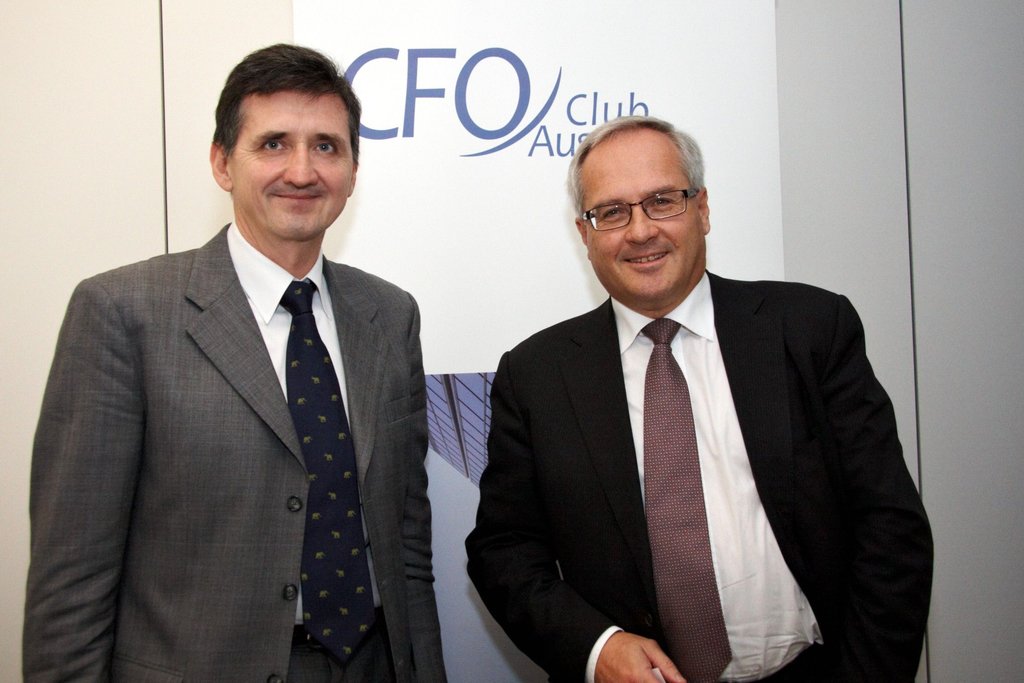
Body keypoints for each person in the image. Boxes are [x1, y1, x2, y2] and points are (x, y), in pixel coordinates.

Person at [24, 44, 446, 682]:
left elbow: (407, 543)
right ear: (223, 162)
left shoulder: (389, 315)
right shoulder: (122, 313)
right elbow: (72, 575)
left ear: (354, 169)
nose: (302, 171)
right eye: (273, 144)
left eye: (326, 146)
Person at [466, 116, 932, 683]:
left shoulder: (810, 329)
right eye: (611, 212)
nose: (640, 231)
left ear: (703, 209)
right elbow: (505, 550)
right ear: (585, 235)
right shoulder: (536, 376)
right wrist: (597, 648)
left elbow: (890, 526)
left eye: (662, 201)